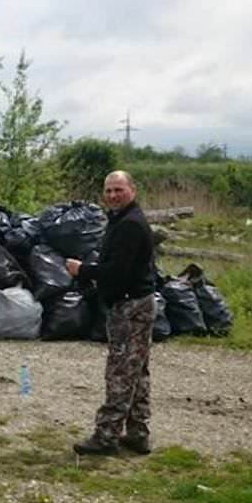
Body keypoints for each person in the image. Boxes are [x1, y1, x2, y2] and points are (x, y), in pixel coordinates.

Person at [65, 171, 156, 456]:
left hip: (130, 307)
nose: (113, 195)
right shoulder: (121, 221)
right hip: (136, 303)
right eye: (108, 191)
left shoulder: (130, 225)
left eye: (119, 190)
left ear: (133, 190)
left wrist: (84, 271)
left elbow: (118, 272)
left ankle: (106, 436)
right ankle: (138, 433)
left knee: (120, 372)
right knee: (137, 370)